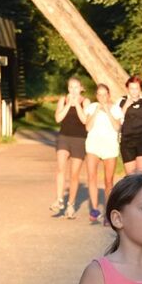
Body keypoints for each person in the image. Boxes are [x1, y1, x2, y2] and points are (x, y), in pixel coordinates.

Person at [51, 77, 91, 219]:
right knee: (60, 168)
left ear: (81, 88)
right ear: (68, 89)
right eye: (71, 87)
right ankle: (59, 199)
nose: (73, 90)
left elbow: (85, 120)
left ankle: (71, 205)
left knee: (74, 175)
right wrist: (69, 104)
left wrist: (77, 104)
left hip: (79, 140)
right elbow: (58, 119)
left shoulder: (85, 101)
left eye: (76, 87)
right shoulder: (63, 100)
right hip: (64, 137)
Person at [84, 84, 122, 224]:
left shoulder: (115, 108)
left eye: (105, 94)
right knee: (92, 177)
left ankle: (108, 212)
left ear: (109, 95)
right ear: (96, 95)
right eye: (99, 95)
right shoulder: (92, 107)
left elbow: (117, 127)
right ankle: (94, 209)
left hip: (109, 146)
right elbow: (87, 127)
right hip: (93, 145)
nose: (102, 97)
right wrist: (96, 112)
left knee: (108, 181)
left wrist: (107, 110)